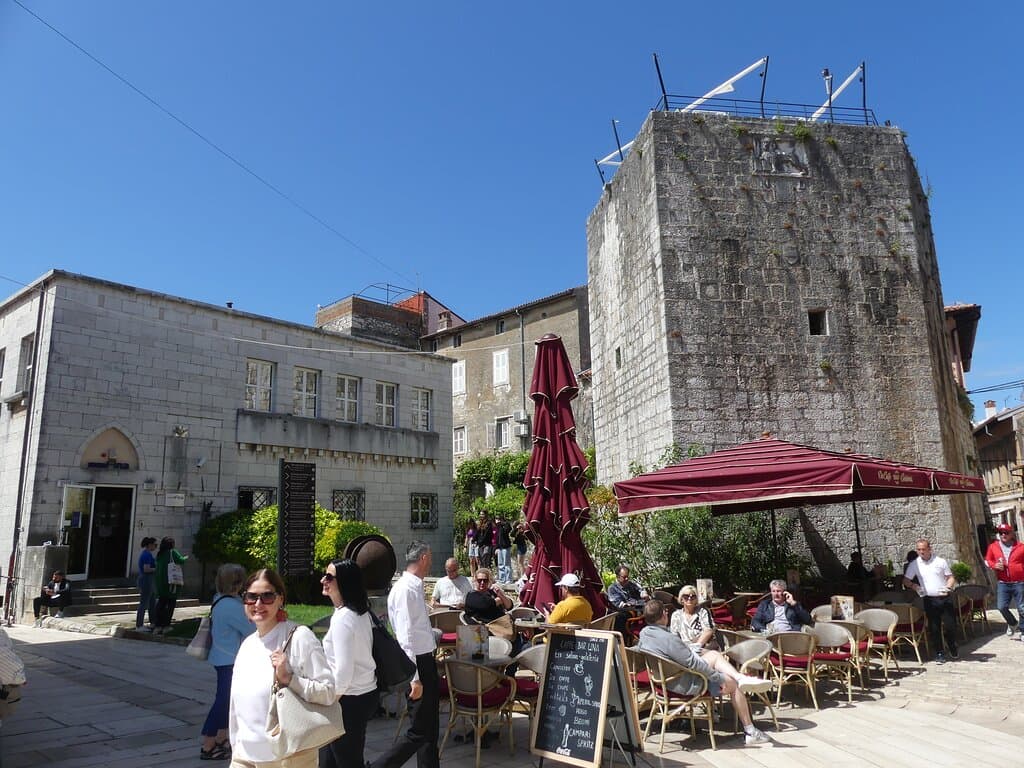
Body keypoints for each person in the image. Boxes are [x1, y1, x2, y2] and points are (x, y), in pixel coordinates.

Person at [228, 568, 334, 767]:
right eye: (251, 597)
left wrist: (289, 679)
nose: (258, 604)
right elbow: (236, 706)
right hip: (244, 755)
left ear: (280, 600)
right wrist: (235, 745)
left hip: (288, 757)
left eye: (267, 596)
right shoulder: (248, 644)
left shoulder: (299, 637)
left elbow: (328, 692)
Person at [637, 599, 771, 746]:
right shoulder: (669, 639)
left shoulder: (644, 634)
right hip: (684, 685)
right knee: (732, 683)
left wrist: (690, 650)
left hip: (662, 682)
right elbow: (693, 664)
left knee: (713, 655)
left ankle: (740, 677)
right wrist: (719, 678)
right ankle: (750, 731)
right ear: (664, 614)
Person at [369, 541, 439, 768]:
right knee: (419, 731)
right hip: (417, 664)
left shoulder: (413, 587)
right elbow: (405, 637)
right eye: (430, 557)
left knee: (429, 729)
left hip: (424, 661)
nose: (431, 562)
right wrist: (414, 677)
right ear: (424, 558)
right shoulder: (406, 590)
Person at [319, 559, 379, 768]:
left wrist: (327, 701)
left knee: (347, 761)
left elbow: (343, 673)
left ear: (344, 581)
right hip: (362, 694)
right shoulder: (358, 612)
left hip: (348, 699)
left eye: (329, 577)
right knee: (328, 760)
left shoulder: (344, 618)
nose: (323, 580)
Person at [200, 563, 253, 761]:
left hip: (222, 656)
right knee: (223, 702)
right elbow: (251, 629)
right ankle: (208, 744)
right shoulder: (231, 606)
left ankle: (222, 738)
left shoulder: (220, 600)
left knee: (227, 701)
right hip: (230, 660)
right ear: (237, 583)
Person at [903, 538, 958, 663]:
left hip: (944, 597)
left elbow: (950, 577)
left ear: (929, 549)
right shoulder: (915, 564)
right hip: (929, 599)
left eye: (923, 549)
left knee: (951, 625)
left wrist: (948, 587)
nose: (921, 552)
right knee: (934, 627)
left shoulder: (940, 561)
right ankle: (939, 652)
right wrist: (914, 586)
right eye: (919, 549)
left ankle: (951, 644)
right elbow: (906, 580)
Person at [984, 522, 1024, 639]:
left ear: (1011, 534)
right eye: (1000, 533)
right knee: (1001, 607)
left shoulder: (1020, 547)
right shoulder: (993, 547)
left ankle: (1023, 631)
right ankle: (1012, 623)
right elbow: (987, 560)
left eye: (1006, 532)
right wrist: (994, 565)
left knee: (1022, 608)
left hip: (1019, 582)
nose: (1003, 535)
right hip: (1003, 583)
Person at [154, 536, 188, 634]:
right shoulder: (172, 552)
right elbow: (181, 560)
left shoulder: (160, 554)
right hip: (171, 583)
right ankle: (166, 626)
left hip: (160, 583)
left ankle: (158, 626)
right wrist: (185, 557)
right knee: (170, 605)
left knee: (161, 604)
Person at [670, 585, 718, 652]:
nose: (689, 598)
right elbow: (674, 636)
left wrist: (696, 646)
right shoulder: (676, 615)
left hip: (703, 647)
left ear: (696, 599)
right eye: (686, 596)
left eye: (693, 596)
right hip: (684, 650)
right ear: (681, 599)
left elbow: (708, 630)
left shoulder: (702, 612)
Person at [135, 537, 158, 632]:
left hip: (148, 580)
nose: (156, 547)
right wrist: (157, 569)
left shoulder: (147, 554)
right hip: (146, 580)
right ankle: (139, 625)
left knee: (152, 602)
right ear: (150, 545)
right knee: (144, 603)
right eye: (155, 545)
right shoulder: (147, 555)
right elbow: (146, 569)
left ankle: (153, 622)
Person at [494, 514, 513, 583]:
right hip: (499, 548)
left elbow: (507, 530)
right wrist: (496, 548)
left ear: (502, 519)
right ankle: (502, 579)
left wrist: (501, 524)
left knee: (506, 564)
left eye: (498, 519)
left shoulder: (506, 525)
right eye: (496, 519)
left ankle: (508, 579)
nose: (497, 520)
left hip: (506, 547)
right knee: (500, 564)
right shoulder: (497, 527)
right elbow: (497, 538)